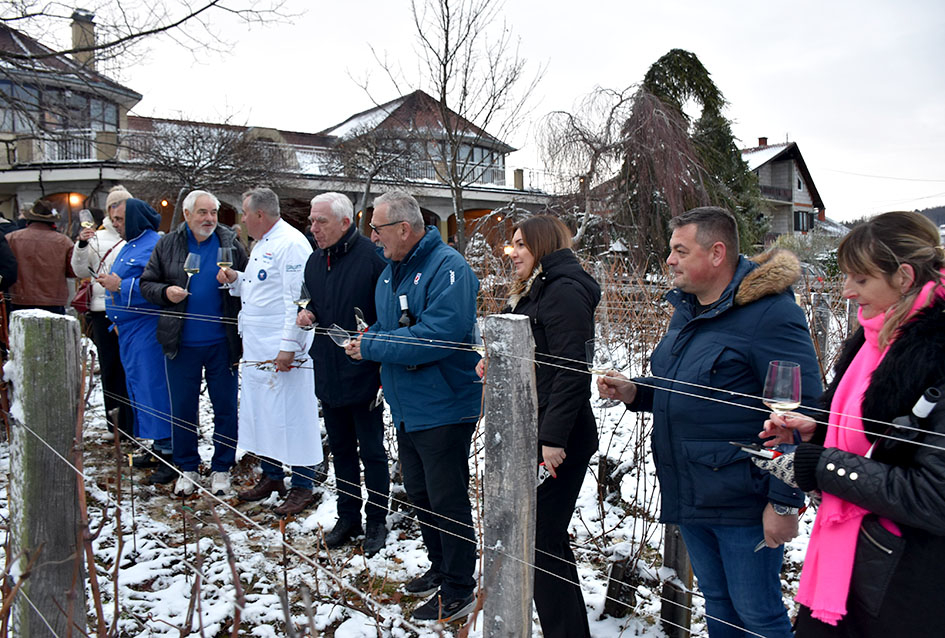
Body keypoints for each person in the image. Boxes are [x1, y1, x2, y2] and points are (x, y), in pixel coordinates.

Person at [598, 206, 822, 638]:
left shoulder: (770, 315)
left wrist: (782, 502)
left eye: (680, 250)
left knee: (758, 615)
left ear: (717, 253)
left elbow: (801, 412)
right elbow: (685, 388)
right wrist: (636, 391)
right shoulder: (689, 311)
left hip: (745, 499)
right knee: (719, 609)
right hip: (692, 488)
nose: (669, 260)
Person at [758, 211, 945, 637]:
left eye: (860, 279)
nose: (846, 291)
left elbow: (935, 495)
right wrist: (816, 428)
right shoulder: (874, 335)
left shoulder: (933, 349)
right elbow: (872, 433)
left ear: (903, 276)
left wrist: (823, 465)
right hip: (857, 560)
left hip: (906, 583)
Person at [344, 190, 481, 622]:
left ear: (404, 229)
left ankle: (460, 587)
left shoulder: (449, 268)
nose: (373, 236)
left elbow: (439, 335)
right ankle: (441, 568)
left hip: (444, 402)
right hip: (407, 405)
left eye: (378, 228)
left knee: (447, 496)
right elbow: (391, 330)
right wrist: (370, 341)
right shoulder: (390, 272)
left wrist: (375, 345)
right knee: (421, 493)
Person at [478, 215, 599, 637]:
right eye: (511, 246)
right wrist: (495, 362)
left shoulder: (563, 291)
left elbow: (571, 370)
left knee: (542, 537)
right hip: (540, 428)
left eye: (521, 246)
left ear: (543, 247)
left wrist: (552, 439)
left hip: (561, 437)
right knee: (542, 537)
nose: (512, 254)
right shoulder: (536, 288)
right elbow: (531, 350)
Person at [219, 187, 322, 515]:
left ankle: (303, 484)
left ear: (260, 214)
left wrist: (288, 347)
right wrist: (237, 279)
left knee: (292, 416)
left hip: (282, 350)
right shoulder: (264, 242)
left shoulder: (291, 244)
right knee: (265, 415)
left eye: (245, 214)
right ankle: (273, 475)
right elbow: (260, 287)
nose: (243, 221)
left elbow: (298, 301)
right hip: (257, 349)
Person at [296, 193, 389, 550]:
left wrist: (370, 345)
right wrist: (308, 313)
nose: (313, 228)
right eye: (312, 220)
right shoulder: (314, 261)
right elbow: (310, 300)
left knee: (372, 451)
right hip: (327, 368)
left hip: (364, 372)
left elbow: (387, 317)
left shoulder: (373, 259)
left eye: (321, 221)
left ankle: (377, 519)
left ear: (345, 223)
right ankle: (348, 516)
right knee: (341, 449)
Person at [141, 190, 248, 497]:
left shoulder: (229, 242)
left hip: (222, 343)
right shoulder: (168, 244)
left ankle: (222, 467)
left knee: (226, 408)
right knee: (183, 408)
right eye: (202, 212)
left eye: (213, 212)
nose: (209, 219)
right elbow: (147, 283)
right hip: (181, 342)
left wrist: (235, 279)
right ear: (187, 214)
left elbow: (249, 280)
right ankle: (186, 466)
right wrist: (166, 293)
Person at [99, 198, 174, 482]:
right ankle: (156, 446)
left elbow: (159, 287)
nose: (115, 225)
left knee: (154, 387)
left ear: (133, 219)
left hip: (148, 328)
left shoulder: (154, 244)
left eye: (119, 220)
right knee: (139, 388)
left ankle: (169, 451)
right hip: (129, 330)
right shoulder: (131, 243)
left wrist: (120, 286)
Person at [71, 186, 134, 440]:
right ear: (110, 210)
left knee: (131, 367)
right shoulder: (97, 237)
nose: (121, 213)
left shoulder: (135, 236)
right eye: (117, 207)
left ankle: (134, 422)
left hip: (131, 310)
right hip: (103, 310)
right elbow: (79, 270)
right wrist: (82, 243)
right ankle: (115, 424)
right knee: (110, 367)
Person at [6, 200, 74, 313]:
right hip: (53, 301)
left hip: (18, 299)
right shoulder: (64, 241)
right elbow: (72, 272)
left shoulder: (11, 238)